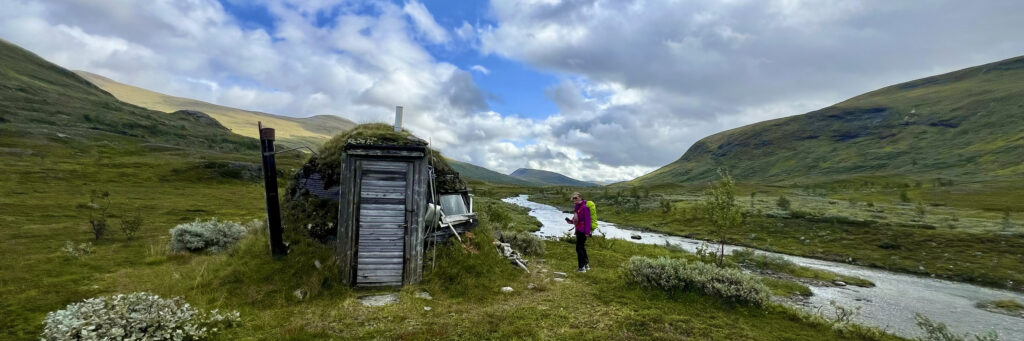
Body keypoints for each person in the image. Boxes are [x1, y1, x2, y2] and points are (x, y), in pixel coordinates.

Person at [565, 192, 591, 272]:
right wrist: (571, 222)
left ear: (580, 197)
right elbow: (578, 220)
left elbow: (587, 220)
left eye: (575, 198)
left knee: (579, 248)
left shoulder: (584, 208)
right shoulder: (577, 208)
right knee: (581, 247)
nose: (574, 199)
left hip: (582, 230)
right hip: (579, 229)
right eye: (573, 198)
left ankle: (581, 267)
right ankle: (586, 265)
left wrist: (587, 232)